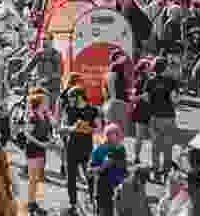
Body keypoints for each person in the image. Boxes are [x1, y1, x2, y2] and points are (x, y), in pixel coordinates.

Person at [59, 86, 100, 215]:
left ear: (79, 97)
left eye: (71, 97)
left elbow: (99, 128)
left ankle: (94, 202)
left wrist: (88, 128)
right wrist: (72, 128)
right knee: (70, 178)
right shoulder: (68, 109)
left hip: (87, 147)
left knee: (90, 176)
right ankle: (73, 204)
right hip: (71, 147)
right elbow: (62, 126)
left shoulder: (93, 110)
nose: (69, 100)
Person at [144, 56, 180, 182]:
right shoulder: (171, 81)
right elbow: (174, 99)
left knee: (155, 146)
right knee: (168, 146)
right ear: (165, 67)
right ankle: (166, 172)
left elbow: (147, 99)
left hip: (154, 117)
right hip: (169, 116)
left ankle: (155, 171)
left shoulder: (150, 81)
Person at [25, 93, 54, 215]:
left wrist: (50, 139)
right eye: (46, 101)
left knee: (36, 178)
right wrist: (41, 144)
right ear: (40, 103)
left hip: (42, 149)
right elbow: (27, 133)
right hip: (33, 149)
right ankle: (30, 204)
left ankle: (33, 202)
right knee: (32, 178)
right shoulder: (33, 117)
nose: (48, 103)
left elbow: (47, 131)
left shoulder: (45, 116)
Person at [90, 123, 128, 216]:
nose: (116, 137)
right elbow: (90, 170)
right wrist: (103, 166)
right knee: (104, 211)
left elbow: (123, 168)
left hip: (118, 186)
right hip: (103, 186)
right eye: (111, 134)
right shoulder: (99, 149)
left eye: (117, 134)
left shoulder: (121, 149)